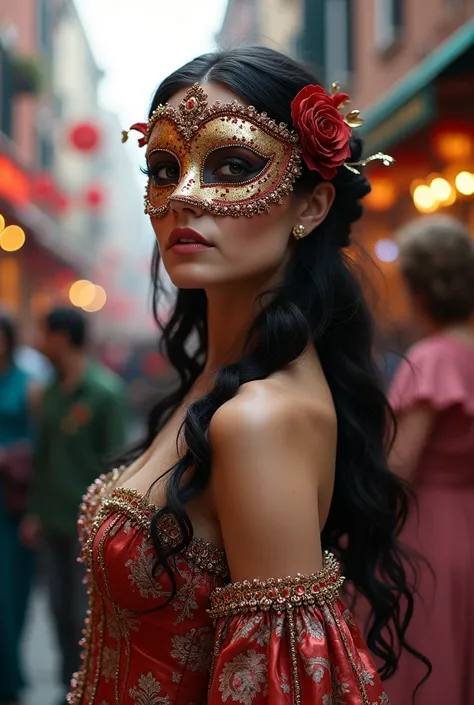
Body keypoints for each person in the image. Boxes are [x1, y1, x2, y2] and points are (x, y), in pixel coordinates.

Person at [67, 47, 426, 705]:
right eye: (164, 168)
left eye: (235, 166)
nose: (184, 194)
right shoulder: (223, 383)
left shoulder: (260, 417)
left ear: (312, 207)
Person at [385, 215, 474, 704]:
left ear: (417, 290)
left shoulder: (433, 358)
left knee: (427, 664)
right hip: (469, 519)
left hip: (428, 535)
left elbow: (399, 469)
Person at [21, 307, 127, 704]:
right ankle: (69, 685)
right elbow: (41, 457)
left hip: (89, 525)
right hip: (52, 518)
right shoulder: (47, 392)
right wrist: (34, 510)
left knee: (86, 614)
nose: (39, 341)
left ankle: (91, 687)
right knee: (56, 608)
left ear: (63, 337)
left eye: (45, 333)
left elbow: (118, 464)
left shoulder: (106, 393)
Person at [0, 311, 36, 705]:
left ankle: (9, 677)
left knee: (9, 592)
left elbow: (40, 446)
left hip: (10, 501)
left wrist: (8, 456)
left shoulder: (29, 386)